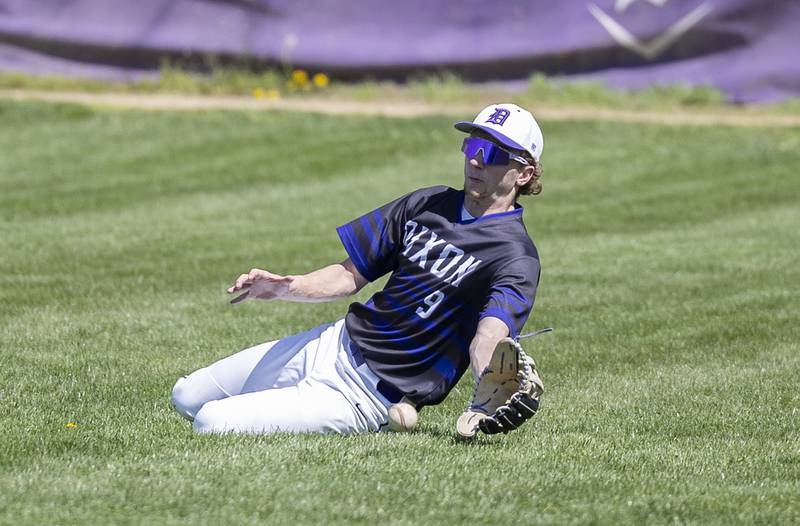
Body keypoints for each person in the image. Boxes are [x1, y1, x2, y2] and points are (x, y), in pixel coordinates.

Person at [171, 103, 545, 434]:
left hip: (362, 395)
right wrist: (287, 286)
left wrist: (494, 378)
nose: (476, 160)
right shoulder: (429, 203)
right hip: (331, 343)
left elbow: (489, 336)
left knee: (211, 421)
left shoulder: (516, 257)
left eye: (492, 152)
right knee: (186, 396)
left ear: (524, 173)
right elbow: (350, 274)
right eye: (472, 146)